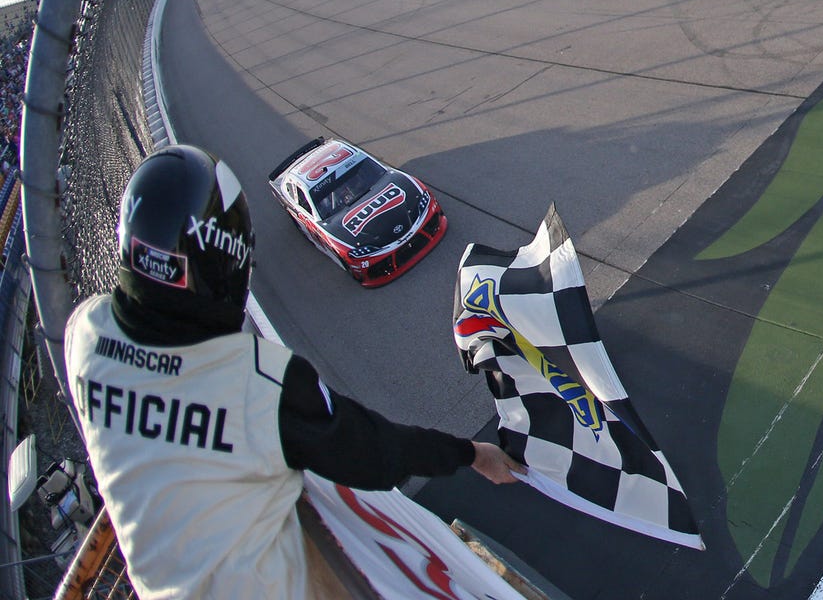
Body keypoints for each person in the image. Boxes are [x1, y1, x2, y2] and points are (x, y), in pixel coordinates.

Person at [63, 144, 524, 599]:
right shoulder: (257, 383)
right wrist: (471, 454)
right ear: (225, 266)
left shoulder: (83, 334)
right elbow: (375, 451)